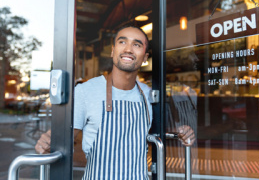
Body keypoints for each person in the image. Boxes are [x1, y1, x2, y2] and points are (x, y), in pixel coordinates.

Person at [35, 26, 195, 179]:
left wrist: (182, 132)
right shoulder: (86, 91)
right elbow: (67, 136)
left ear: (145, 58)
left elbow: (158, 131)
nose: (128, 49)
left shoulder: (148, 94)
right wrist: (49, 141)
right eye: (122, 42)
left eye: (137, 44)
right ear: (113, 51)